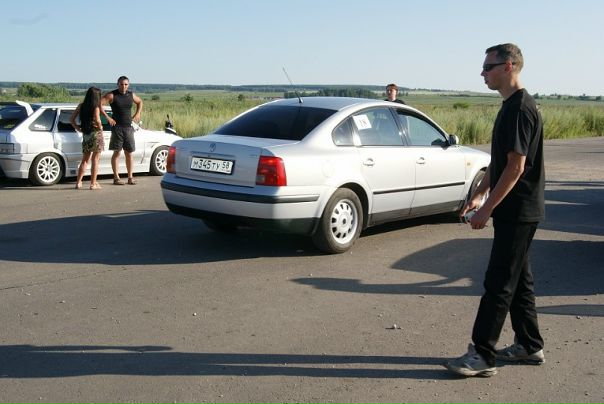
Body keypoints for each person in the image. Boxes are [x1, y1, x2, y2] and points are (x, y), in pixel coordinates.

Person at [444, 43, 545, 377]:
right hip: (515, 210)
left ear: (509, 66)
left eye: (488, 67)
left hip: (518, 210)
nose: (482, 73)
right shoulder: (510, 106)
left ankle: (483, 355)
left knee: (499, 282)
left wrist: (486, 209)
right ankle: (529, 344)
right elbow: (500, 162)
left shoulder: (520, 109)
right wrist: (478, 193)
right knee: (519, 281)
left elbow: (516, 168)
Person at [101, 75, 143, 185]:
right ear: (117, 84)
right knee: (117, 153)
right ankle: (116, 178)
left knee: (129, 153)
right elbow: (99, 104)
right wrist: (107, 117)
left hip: (128, 127)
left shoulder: (131, 95)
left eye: (125, 84)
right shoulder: (112, 95)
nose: (123, 86)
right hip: (117, 128)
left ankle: (130, 177)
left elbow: (140, 102)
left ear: (128, 85)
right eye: (121, 84)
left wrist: (138, 113)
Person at [71, 87, 104, 190]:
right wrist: (101, 127)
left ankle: (78, 182)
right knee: (95, 159)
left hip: (86, 134)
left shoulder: (81, 106)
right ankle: (93, 183)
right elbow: (97, 120)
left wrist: (78, 128)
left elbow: (71, 119)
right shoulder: (96, 107)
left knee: (85, 160)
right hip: (96, 134)